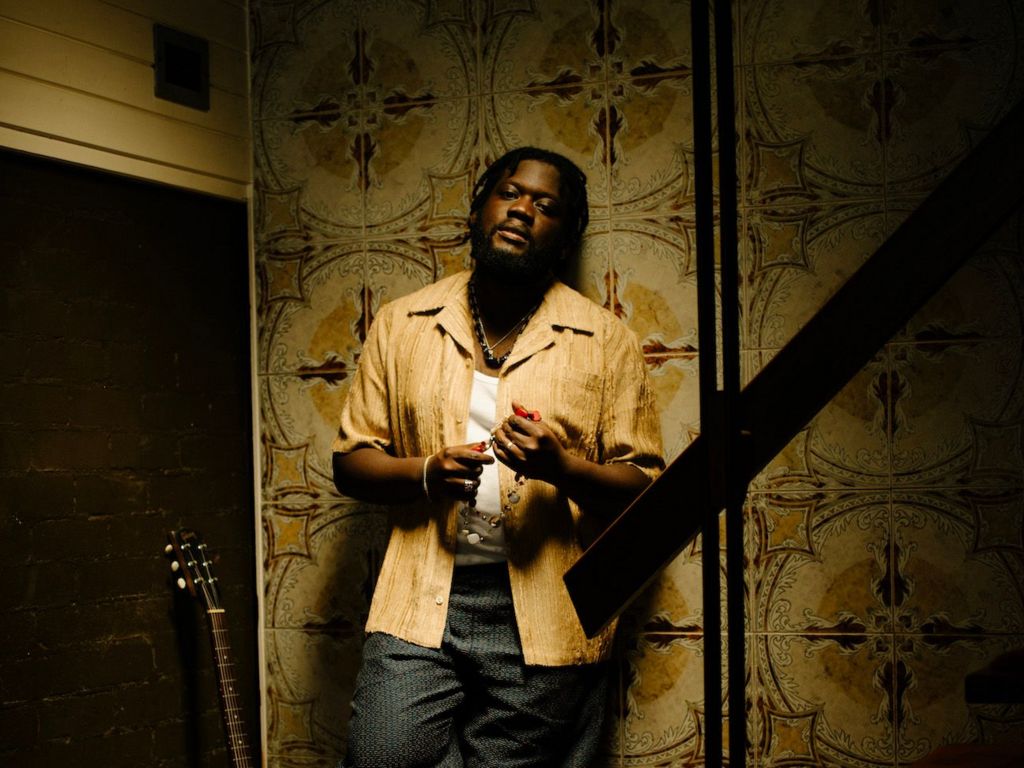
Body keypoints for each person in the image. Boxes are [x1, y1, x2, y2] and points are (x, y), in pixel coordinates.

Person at [332, 146, 664, 767]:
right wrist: (426, 472)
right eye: (510, 193)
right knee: (381, 755)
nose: (522, 211)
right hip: (421, 596)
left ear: (565, 239)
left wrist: (563, 470)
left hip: (544, 607)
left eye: (546, 206)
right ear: (480, 208)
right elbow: (350, 460)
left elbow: (646, 489)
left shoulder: (605, 340)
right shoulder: (404, 323)